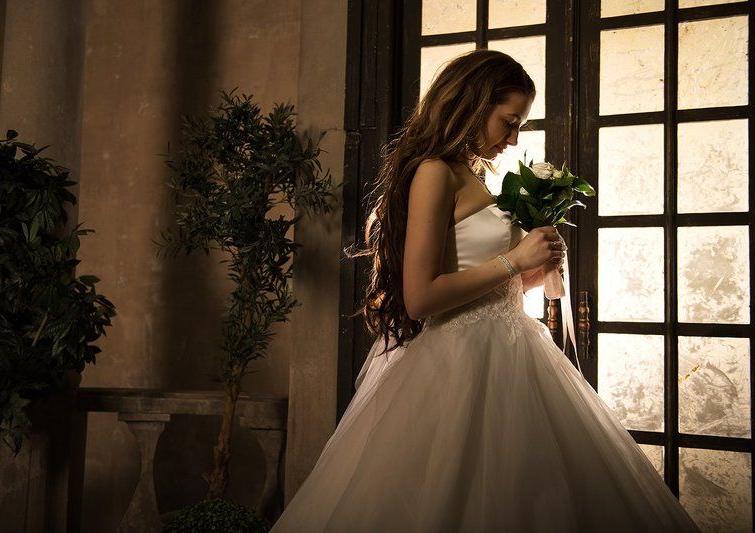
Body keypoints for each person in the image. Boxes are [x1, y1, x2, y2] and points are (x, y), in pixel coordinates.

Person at [270, 49, 701, 532]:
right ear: (473, 105)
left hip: (513, 346)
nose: (514, 139)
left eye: (519, 126)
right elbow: (420, 297)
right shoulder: (434, 172)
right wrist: (514, 259)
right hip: (458, 361)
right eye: (508, 122)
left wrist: (533, 270)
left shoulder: (472, 174)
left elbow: (489, 281)